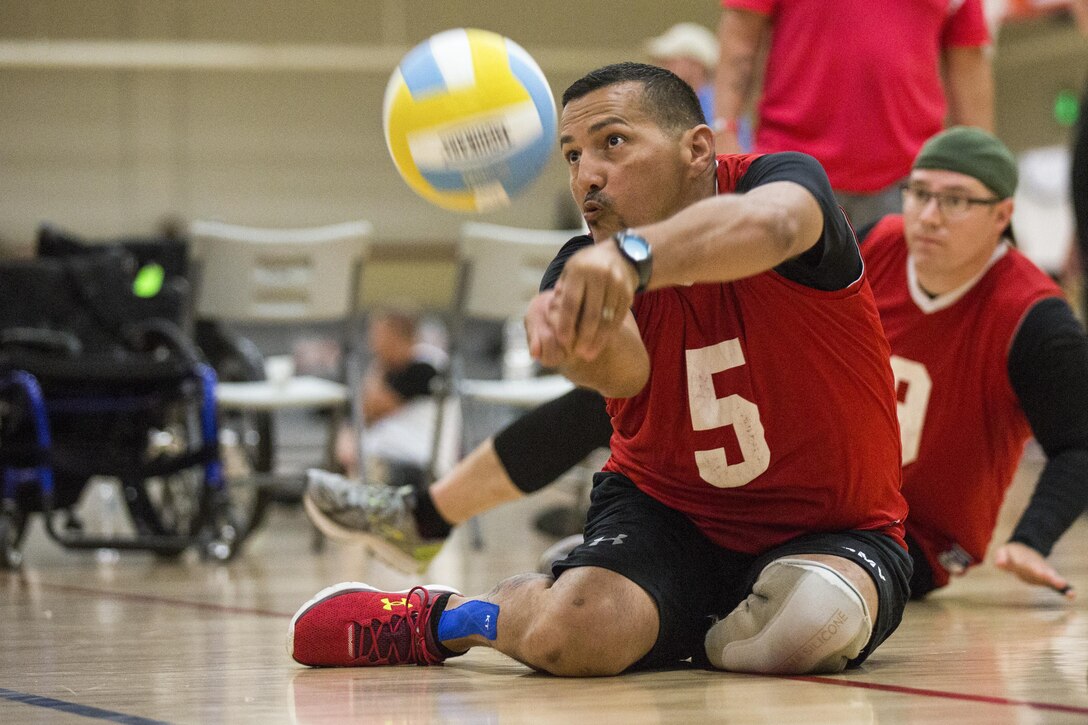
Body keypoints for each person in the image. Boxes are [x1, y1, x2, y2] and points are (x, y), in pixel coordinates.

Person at [291, 62, 912, 676]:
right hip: (669, 515)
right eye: (570, 156)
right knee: (572, 637)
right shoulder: (582, 264)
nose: (587, 175)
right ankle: (443, 618)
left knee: (806, 627)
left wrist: (634, 258)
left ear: (697, 149)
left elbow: (776, 225)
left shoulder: (776, 183)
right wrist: (576, 339)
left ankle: (639, 599)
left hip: (835, 527)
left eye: (612, 142)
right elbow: (623, 377)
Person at [306, 127, 1088, 603]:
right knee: (631, 387)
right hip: (792, 460)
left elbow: (1079, 440)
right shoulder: (874, 249)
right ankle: (425, 518)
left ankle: (626, 567)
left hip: (901, 532)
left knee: (787, 623)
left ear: (1002, 216)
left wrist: (1036, 535)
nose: (927, 215)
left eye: (955, 201)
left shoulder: (1034, 315)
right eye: (919, 193)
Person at [713, 0, 994, 228]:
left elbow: (968, 59)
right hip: (791, 170)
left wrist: (980, 174)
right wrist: (724, 131)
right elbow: (741, 33)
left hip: (911, 181)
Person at [331, 308, 446, 488]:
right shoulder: (394, 370)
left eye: (377, 334)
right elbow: (358, 415)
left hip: (414, 463)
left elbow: (368, 408)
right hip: (388, 455)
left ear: (395, 335)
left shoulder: (425, 368)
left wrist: (379, 364)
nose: (371, 343)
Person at [645, 22, 752, 152]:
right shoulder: (664, 102)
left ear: (693, 65)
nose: (660, 66)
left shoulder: (720, 106)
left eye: (668, 60)